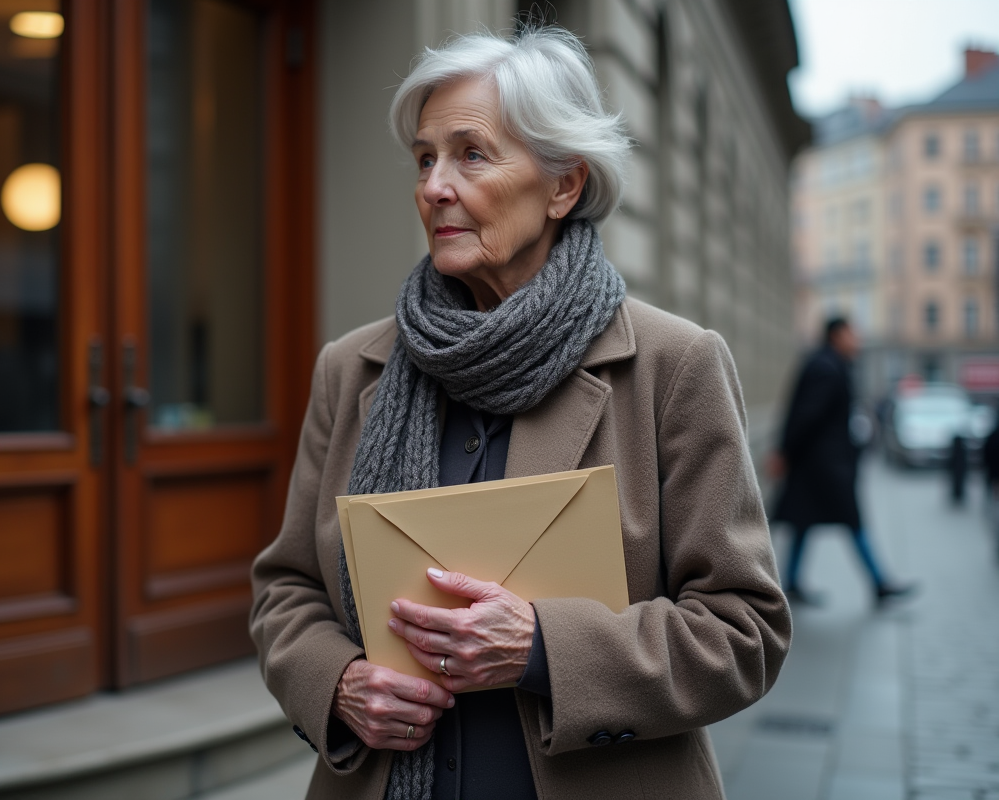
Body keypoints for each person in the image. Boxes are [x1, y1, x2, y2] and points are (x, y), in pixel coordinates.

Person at [250, 27, 790, 800]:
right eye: (425, 158)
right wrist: (336, 685)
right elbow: (286, 590)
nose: (435, 185)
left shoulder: (673, 365)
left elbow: (744, 631)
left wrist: (542, 648)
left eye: (471, 154)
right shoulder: (351, 369)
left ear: (563, 185)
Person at [772, 317, 913, 605]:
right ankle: (879, 583)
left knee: (804, 521)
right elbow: (805, 416)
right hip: (825, 467)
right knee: (851, 520)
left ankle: (792, 582)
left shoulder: (827, 364)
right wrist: (783, 452)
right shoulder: (827, 368)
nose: (857, 340)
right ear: (837, 335)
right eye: (853, 334)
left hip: (819, 465)